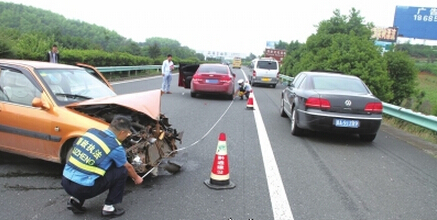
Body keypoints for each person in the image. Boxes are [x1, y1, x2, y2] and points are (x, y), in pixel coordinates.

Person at [61, 115, 143, 217]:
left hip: (65, 181)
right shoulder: (114, 146)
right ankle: (109, 208)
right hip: (83, 189)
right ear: (122, 132)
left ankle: (75, 201)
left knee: (89, 166)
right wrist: (137, 178)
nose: (127, 135)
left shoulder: (91, 132)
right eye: (127, 133)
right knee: (121, 170)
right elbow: (128, 167)